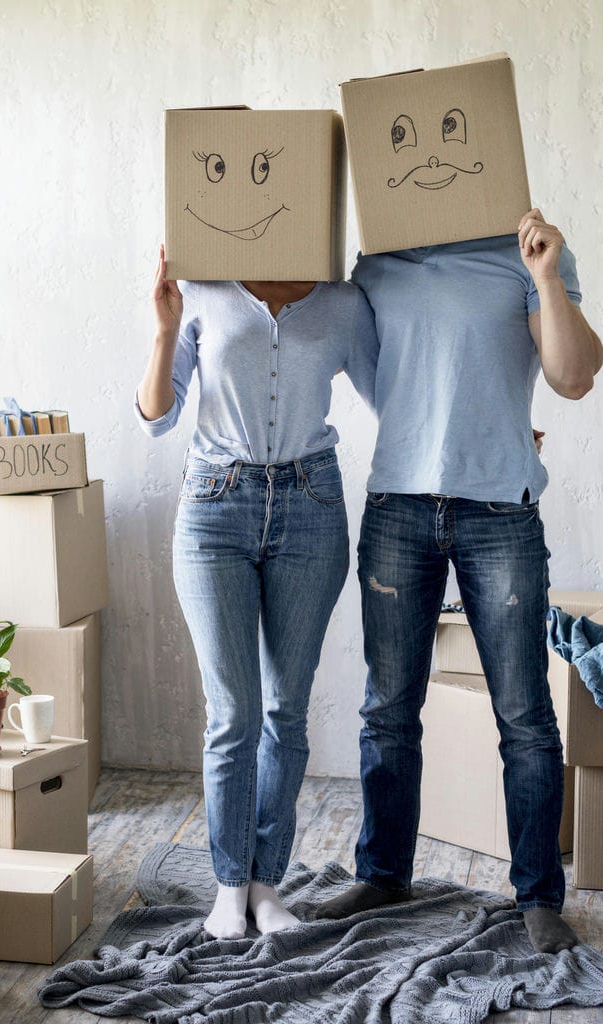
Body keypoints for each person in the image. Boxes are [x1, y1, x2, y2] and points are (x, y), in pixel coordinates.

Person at [315, 209, 603, 956]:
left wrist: (545, 275)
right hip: (398, 506)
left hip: (500, 508)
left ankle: (538, 896)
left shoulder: (526, 252)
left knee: (525, 714)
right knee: (388, 709)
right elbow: (386, 385)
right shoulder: (378, 262)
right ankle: (383, 876)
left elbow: (574, 376)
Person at [137, 245, 376, 939]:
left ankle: (267, 886)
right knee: (232, 714)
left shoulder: (341, 300)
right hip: (215, 507)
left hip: (311, 504)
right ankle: (228, 887)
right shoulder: (204, 287)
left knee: (284, 712)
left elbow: (395, 398)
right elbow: (156, 416)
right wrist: (164, 327)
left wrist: (499, 429)